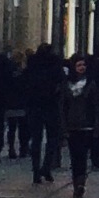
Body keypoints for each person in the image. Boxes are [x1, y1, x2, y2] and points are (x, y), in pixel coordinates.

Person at [16, 43, 63, 188]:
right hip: (51, 105)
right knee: (52, 138)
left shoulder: (32, 65)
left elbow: (23, 84)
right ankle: (46, 167)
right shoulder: (55, 64)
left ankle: (36, 171)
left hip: (34, 106)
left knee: (36, 139)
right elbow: (61, 82)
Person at [60, 55, 99, 198]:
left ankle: (80, 183)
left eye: (83, 65)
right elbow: (63, 106)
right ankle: (76, 182)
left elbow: (96, 106)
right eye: (78, 65)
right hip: (72, 125)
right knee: (74, 156)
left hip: (87, 125)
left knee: (83, 156)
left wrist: (96, 125)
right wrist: (63, 127)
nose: (82, 68)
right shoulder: (66, 85)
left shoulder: (91, 84)